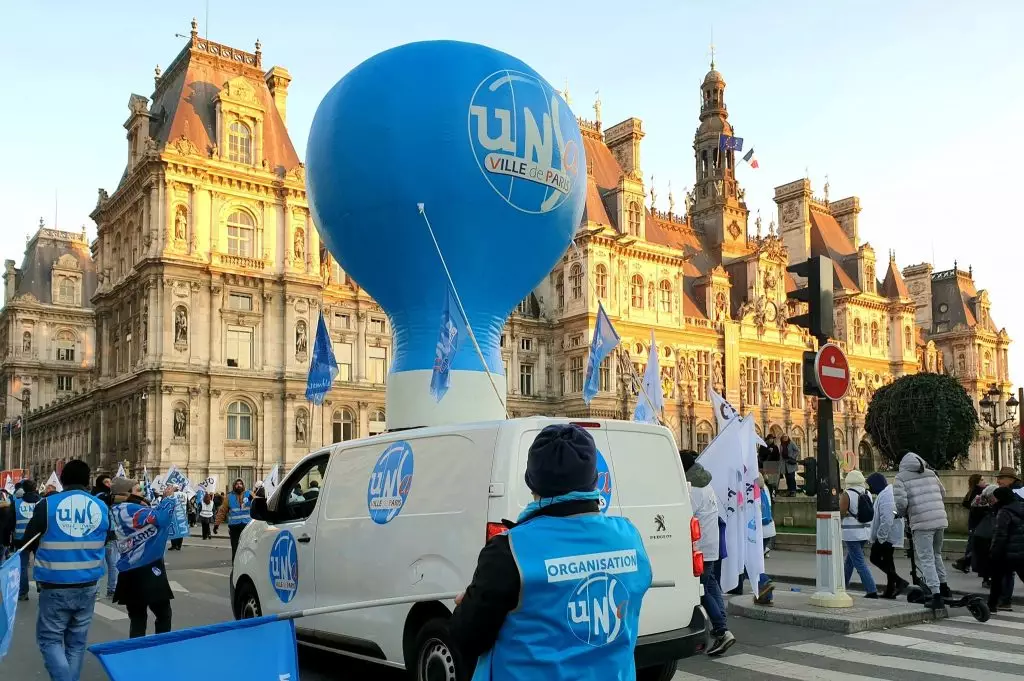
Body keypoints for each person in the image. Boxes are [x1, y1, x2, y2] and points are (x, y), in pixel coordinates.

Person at [448, 424, 652, 679]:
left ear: (531, 481)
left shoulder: (509, 550)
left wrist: (465, 605)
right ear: (595, 480)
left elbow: (467, 638)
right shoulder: (629, 537)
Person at [24, 459, 110, 681]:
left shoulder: (48, 504)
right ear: (87, 479)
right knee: (77, 643)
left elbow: (30, 540)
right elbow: (107, 538)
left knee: (50, 639)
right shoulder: (100, 506)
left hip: (55, 583)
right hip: (88, 584)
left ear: (62, 479)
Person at [680, 450, 735, 656]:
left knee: (701, 589)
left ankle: (722, 630)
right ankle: (721, 625)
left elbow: (685, 515)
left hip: (700, 547)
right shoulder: (705, 484)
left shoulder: (693, 490)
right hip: (711, 545)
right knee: (711, 585)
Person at [110, 477, 178, 638]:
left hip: (129, 569)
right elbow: (160, 518)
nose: (143, 493)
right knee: (163, 614)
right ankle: (160, 648)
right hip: (145, 567)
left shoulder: (118, 508)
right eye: (138, 490)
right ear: (126, 493)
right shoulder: (129, 509)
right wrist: (168, 499)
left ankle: (136, 653)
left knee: (138, 619)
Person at [893, 452, 949, 610]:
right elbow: (943, 493)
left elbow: (901, 502)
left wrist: (902, 514)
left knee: (926, 558)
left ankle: (936, 594)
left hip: (922, 522)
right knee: (937, 554)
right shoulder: (930, 474)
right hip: (940, 519)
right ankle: (944, 587)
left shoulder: (901, 478)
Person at [866, 472, 907, 599]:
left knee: (874, 557)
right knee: (888, 561)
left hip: (887, 535)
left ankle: (899, 582)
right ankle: (890, 590)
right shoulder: (885, 494)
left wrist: (881, 538)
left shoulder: (886, 496)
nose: (870, 488)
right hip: (888, 534)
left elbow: (887, 519)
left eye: (870, 485)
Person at [839, 470, 878, 598]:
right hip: (865, 532)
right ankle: (843, 585)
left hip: (851, 533)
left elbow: (841, 512)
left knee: (859, 562)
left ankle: (871, 590)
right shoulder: (867, 492)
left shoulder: (847, 494)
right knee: (850, 561)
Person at [988, 486, 1024, 613]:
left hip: (1007, 552)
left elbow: (1000, 534)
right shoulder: (1022, 506)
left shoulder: (1004, 512)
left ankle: (992, 605)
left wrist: (994, 551)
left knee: (997, 580)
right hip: (1022, 551)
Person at [13, 479, 42, 601]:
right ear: (35, 488)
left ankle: (23, 592)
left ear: (23, 489)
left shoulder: (16, 503)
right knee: (40, 562)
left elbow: (11, 522)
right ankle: (40, 584)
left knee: (23, 566)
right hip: (38, 538)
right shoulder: (42, 502)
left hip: (21, 539)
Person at [91, 474, 118, 599]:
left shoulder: (99, 494)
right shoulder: (100, 495)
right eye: (106, 482)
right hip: (101, 533)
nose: (109, 484)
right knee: (100, 564)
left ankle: (112, 589)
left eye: (110, 482)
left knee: (113, 563)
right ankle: (96, 591)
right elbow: (110, 499)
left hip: (109, 533)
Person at [216, 478, 253, 559]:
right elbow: (222, 511)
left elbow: (258, 504)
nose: (238, 485)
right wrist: (217, 524)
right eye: (237, 484)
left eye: (240, 484)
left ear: (243, 485)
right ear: (234, 486)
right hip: (234, 526)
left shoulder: (249, 494)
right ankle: (235, 565)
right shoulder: (229, 497)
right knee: (235, 547)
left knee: (247, 546)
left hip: (247, 525)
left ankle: (246, 563)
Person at [971, 485, 999, 589]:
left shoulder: (979, 504)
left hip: (981, 534)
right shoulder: (985, 506)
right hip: (987, 535)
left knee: (985, 559)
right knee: (987, 559)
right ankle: (987, 579)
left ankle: (986, 579)